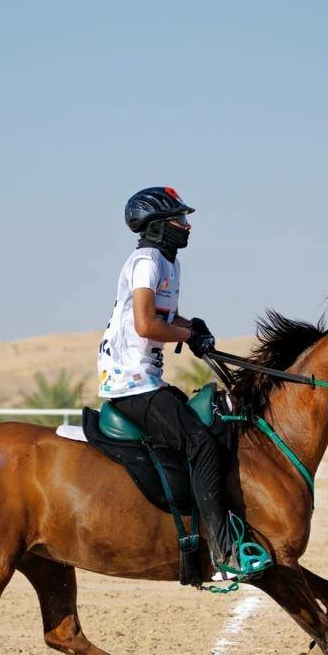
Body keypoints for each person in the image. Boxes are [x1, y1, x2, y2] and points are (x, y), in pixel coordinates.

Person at [97, 186, 233, 578]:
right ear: (157, 226)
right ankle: (222, 552)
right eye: (180, 219)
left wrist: (194, 327)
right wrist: (188, 336)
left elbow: (164, 320)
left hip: (148, 378)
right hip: (130, 383)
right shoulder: (146, 262)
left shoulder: (170, 264)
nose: (187, 226)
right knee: (202, 444)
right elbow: (145, 324)